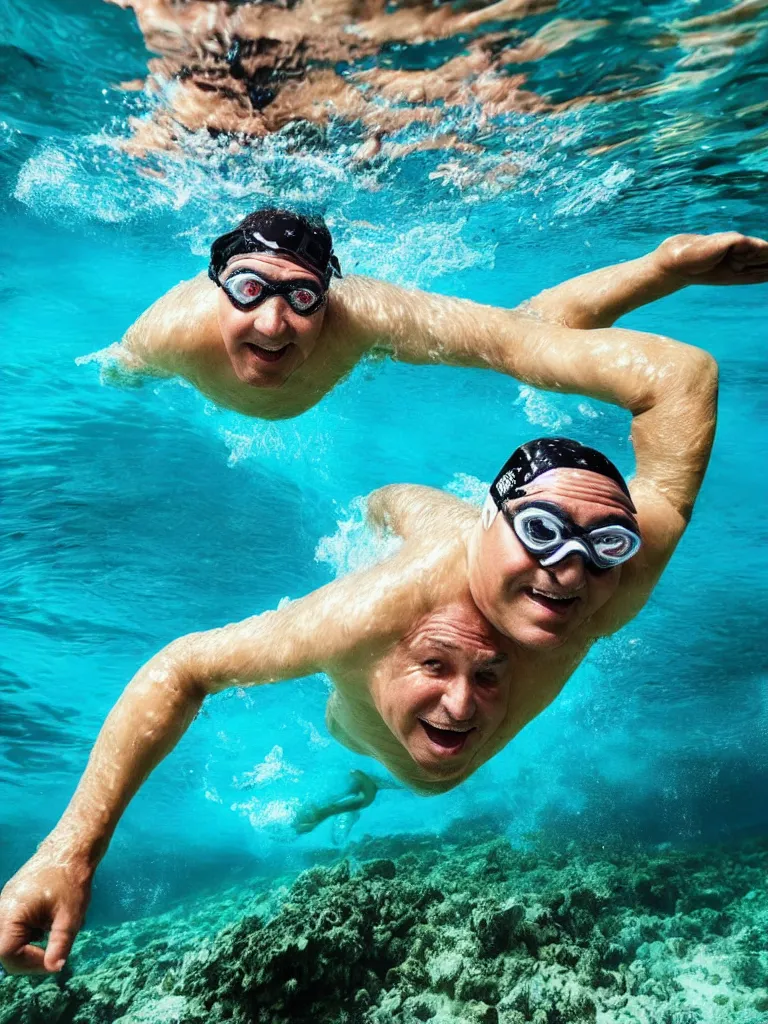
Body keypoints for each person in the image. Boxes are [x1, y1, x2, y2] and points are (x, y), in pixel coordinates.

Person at [0, 246, 741, 974]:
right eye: (541, 534)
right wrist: (69, 849)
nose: (570, 570)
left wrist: (666, 266)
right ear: (494, 526)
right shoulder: (372, 613)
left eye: (603, 543)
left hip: (457, 540)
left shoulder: (620, 574)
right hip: (381, 668)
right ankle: (365, 721)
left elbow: (684, 379)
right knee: (386, 565)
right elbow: (183, 666)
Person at [92, 207, 768, 419]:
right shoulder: (166, 334)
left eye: (302, 298)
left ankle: (664, 268)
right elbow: (114, 377)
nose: (272, 325)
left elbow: (516, 344)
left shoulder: (370, 318)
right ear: (217, 288)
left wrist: (635, 381)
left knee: (524, 327)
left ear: (330, 298)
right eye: (248, 293)